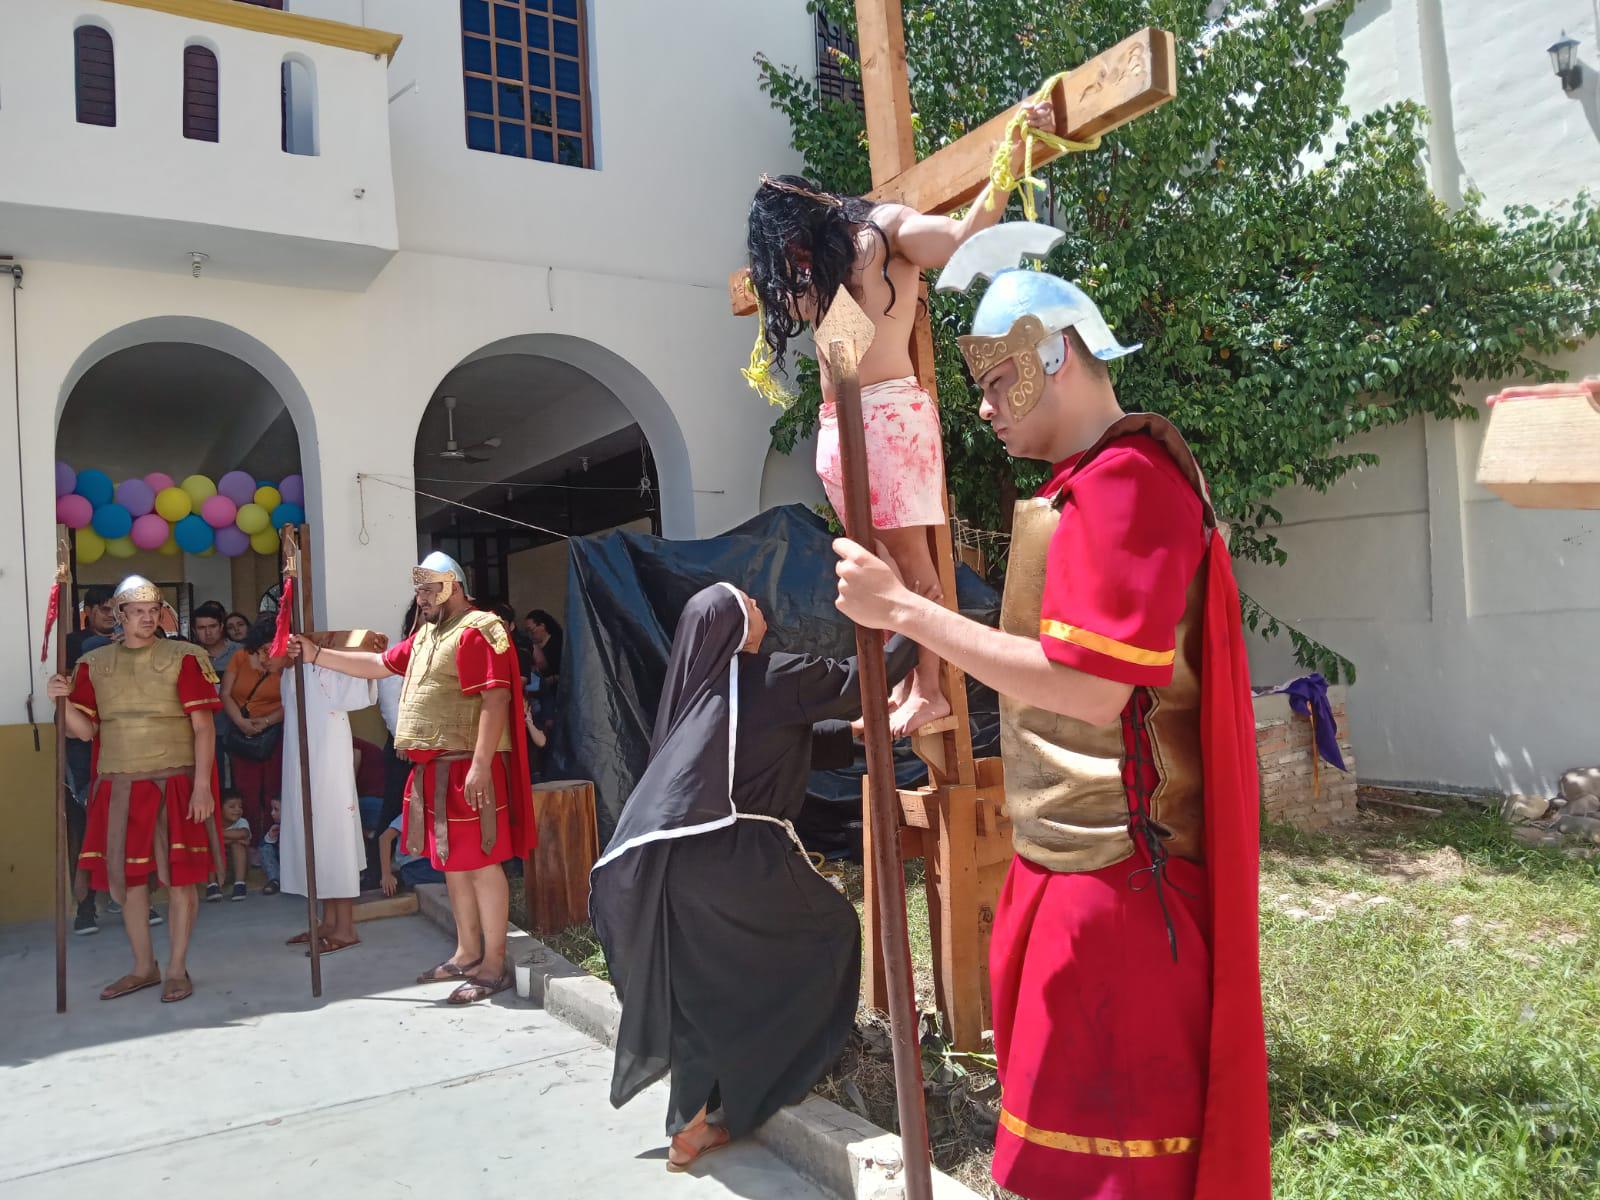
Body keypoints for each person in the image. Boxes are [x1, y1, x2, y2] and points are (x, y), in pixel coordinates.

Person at [832, 226, 1270, 1200]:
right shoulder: (1085, 489)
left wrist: (907, 613)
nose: (984, 407)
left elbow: (1090, 687)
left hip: (1122, 888)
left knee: (1118, 1180)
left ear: (1055, 355)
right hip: (1069, 872)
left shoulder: (1128, 484)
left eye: (997, 382)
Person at [742, 103, 1052, 737]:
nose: (793, 263)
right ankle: (904, 682)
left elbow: (964, 237)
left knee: (910, 564)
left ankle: (930, 689)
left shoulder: (882, 233)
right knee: (873, 565)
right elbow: (818, 329)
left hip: (885, 416)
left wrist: (1013, 155)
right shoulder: (822, 273)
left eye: (792, 247)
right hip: (840, 424)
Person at [590, 583, 916, 1172]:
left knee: (706, 983)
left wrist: (852, 735)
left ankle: (690, 1126)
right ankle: (780, 1070)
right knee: (831, 932)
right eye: (750, 601)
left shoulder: (706, 695)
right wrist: (918, 617)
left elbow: (772, 739)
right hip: (739, 854)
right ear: (735, 625)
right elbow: (867, 676)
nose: (762, 604)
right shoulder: (771, 675)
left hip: (683, 865)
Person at [288, 552, 536, 1003]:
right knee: (452, 866)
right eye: (418, 590)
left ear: (453, 585)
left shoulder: (480, 629)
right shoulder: (426, 635)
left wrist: (481, 764)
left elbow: (496, 699)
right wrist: (316, 654)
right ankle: (466, 953)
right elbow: (379, 664)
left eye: (428, 589)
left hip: (468, 766)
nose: (420, 598)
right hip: (434, 771)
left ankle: (494, 964)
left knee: (482, 864)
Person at [46, 575, 222, 1004]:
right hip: (119, 785)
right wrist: (60, 701)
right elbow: (84, 731)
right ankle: (144, 967)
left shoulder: (184, 657)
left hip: (174, 783)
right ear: (118, 615)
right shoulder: (93, 664)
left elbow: (204, 728)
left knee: (180, 881)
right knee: (129, 881)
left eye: (153, 611)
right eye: (137, 611)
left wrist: (202, 787)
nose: (146, 618)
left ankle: (176, 968)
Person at [278, 633, 383, 956]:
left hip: (329, 767)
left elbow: (358, 693)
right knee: (315, 841)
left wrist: (362, 650)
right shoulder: (291, 671)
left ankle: (345, 928)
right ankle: (328, 921)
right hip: (301, 765)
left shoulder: (327, 663)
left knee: (335, 842)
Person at [221, 618, 285, 840]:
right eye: (261, 650)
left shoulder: (284, 664)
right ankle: (250, 839)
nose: (265, 656)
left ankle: (270, 839)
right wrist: (241, 722)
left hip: (274, 731)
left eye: (270, 650)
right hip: (242, 731)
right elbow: (225, 693)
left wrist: (266, 721)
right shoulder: (240, 657)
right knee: (245, 788)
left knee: (272, 787)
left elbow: (292, 701)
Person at [378, 812, 445, 895]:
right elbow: (384, 838)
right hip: (414, 865)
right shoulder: (411, 814)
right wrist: (386, 875)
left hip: (436, 863)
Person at [209, 791, 251, 902]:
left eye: (240, 807)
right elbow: (207, 839)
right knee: (210, 845)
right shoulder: (212, 822)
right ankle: (212, 886)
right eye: (232, 807)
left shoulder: (241, 822)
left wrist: (216, 835)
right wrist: (231, 838)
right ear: (219, 809)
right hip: (216, 871)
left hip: (235, 868)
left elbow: (243, 834)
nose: (237, 810)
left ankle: (239, 884)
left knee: (237, 846)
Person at [191, 601, 238, 675]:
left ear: (221, 627)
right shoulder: (189, 656)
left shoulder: (240, 651)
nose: (208, 632)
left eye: (213, 626)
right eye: (201, 628)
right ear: (194, 631)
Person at [260, 796, 282, 895]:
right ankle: (275, 880)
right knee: (266, 848)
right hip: (280, 864)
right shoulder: (276, 828)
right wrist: (270, 837)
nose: (272, 813)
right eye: (272, 809)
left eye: (276, 809)